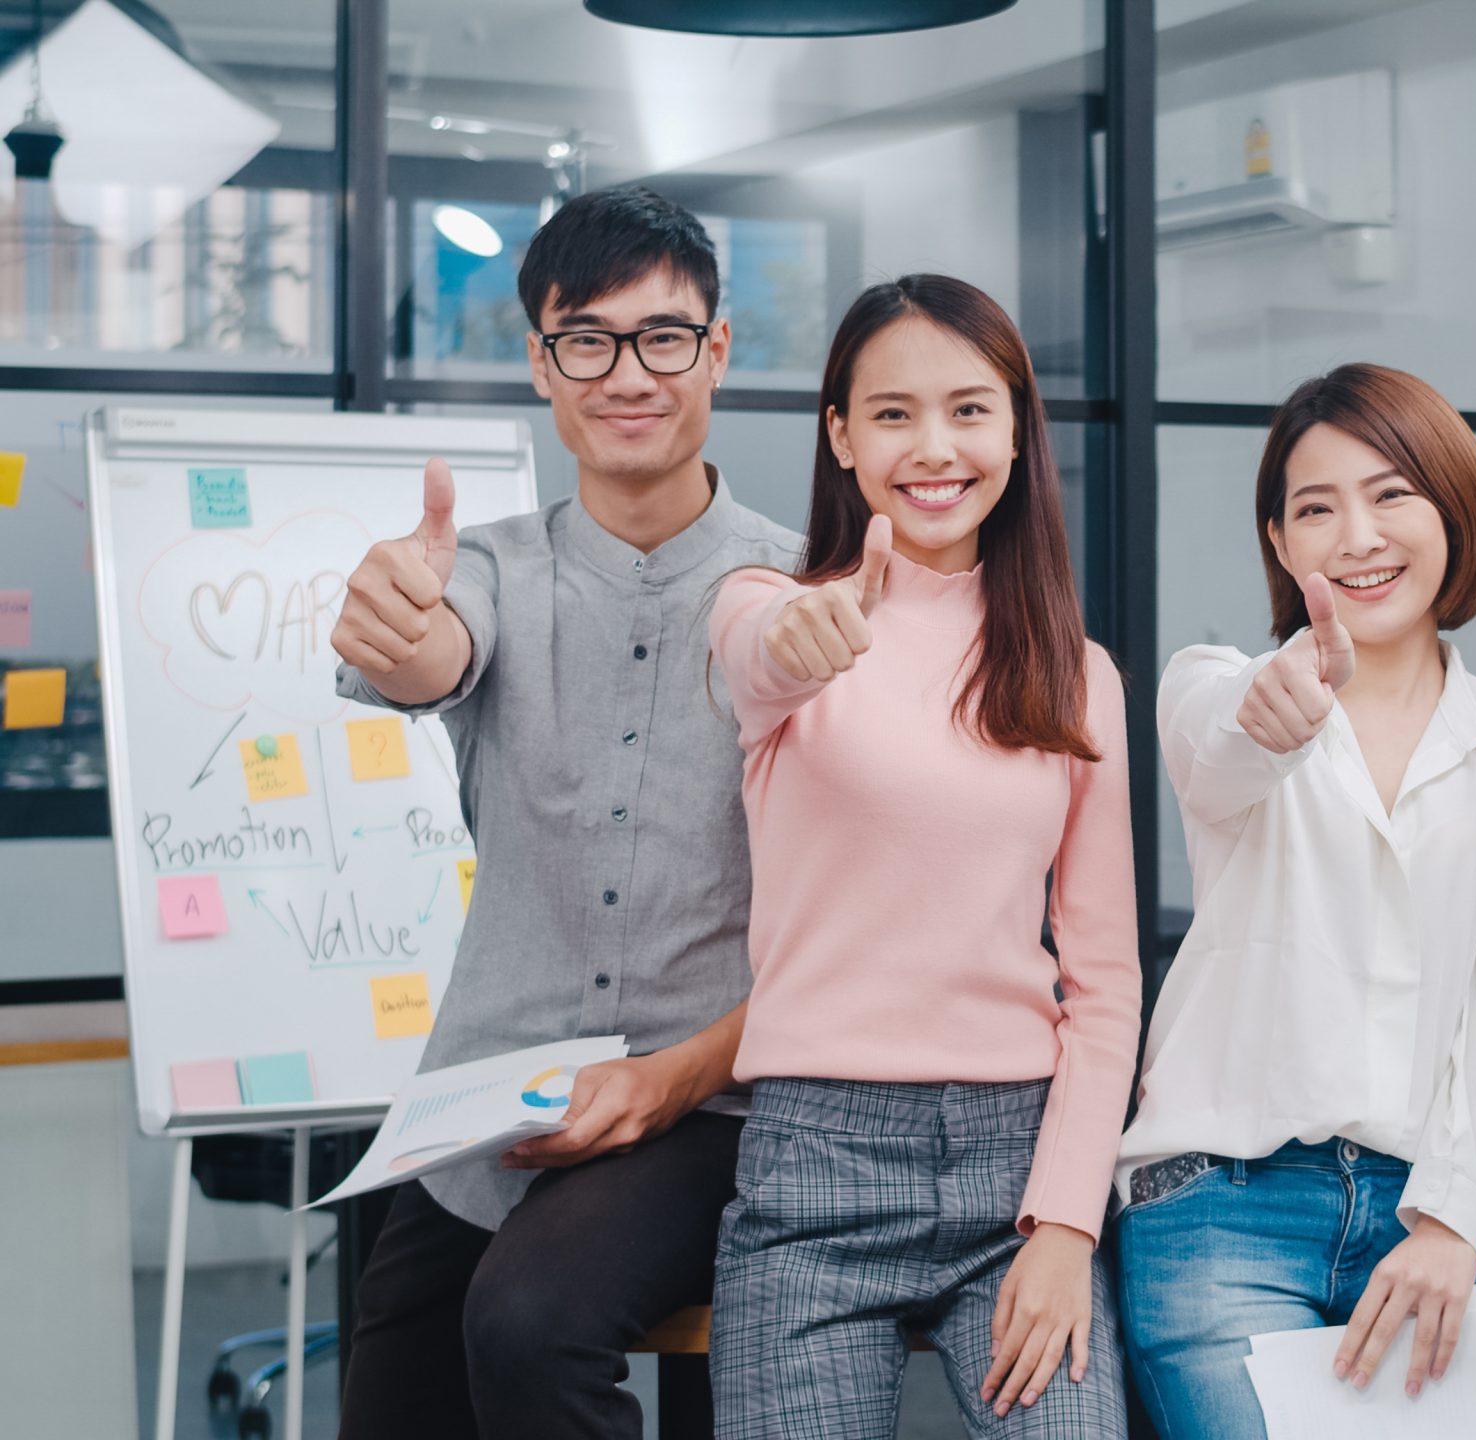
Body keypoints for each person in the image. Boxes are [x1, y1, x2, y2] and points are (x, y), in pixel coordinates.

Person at [328, 185, 800, 1439]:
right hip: (489, 1103)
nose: (626, 372)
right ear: (542, 363)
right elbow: (430, 653)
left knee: (532, 1326)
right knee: (387, 1403)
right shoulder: (481, 565)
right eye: (585, 339)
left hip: (711, 1101)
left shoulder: (806, 589)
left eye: (662, 336)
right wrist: (400, 631)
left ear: (718, 350)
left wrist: (670, 1082)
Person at [705, 274, 1140, 1439]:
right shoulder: (765, 606)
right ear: (840, 436)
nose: (933, 447)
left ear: (1013, 432)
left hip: (1017, 1171)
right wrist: (807, 637)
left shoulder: (1075, 672)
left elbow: (1103, 985)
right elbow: (761, 657)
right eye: (891, 413)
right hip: (813, 1170)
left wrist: (1064, 1229)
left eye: (968, 409)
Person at [1114, 363, 1476, 1438]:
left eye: (1391, 494)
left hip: (1440, 1208)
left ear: (1452, 508)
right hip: (1222, 1211)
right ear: (1281, 545)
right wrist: (1272, 709)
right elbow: (1223, 751)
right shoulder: (1212, 680)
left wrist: (1455, 1224)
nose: (1358, 536)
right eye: (1316, 509)